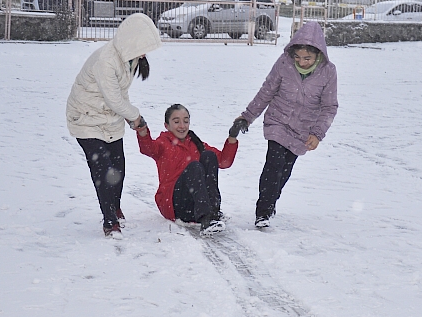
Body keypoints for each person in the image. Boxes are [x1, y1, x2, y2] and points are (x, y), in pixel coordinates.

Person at [66, 13, 162, 239]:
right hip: (86, 117)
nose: (144, 52)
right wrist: (136, 117)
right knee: (103, 168)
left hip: (110, 119)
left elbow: (121, 94)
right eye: (143, 46)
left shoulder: (130, 57)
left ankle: (114, 206)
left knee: (118, 167)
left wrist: (130, 118)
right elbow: (113, 99)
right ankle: (109, 220)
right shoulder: (106, 60)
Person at [236, 21, 338, 228]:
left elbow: (329, 107)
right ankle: (263, 212)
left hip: (303, 128)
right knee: (273, 165)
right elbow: (267, 91)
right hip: (278, 121)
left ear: (318, 54)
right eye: (298, 57)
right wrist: (247, 117)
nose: (302, 61)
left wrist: (317, 134)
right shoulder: (284, 63)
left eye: (307, 58)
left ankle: (270, 202)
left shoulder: (328, 72)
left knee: (284, 170)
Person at [135, 104, 241, 236]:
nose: (182, 126)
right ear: (166, 125)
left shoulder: (195, 143)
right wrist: (142, 129)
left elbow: (224, 162)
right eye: (176, 121)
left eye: (185, 121)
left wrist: (232, 136)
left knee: (209, 156)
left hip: (194, 205)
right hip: (174, 205)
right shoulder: (163, 143)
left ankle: (213, 213)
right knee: (194, 167)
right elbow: (147, 148)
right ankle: (206, 218)